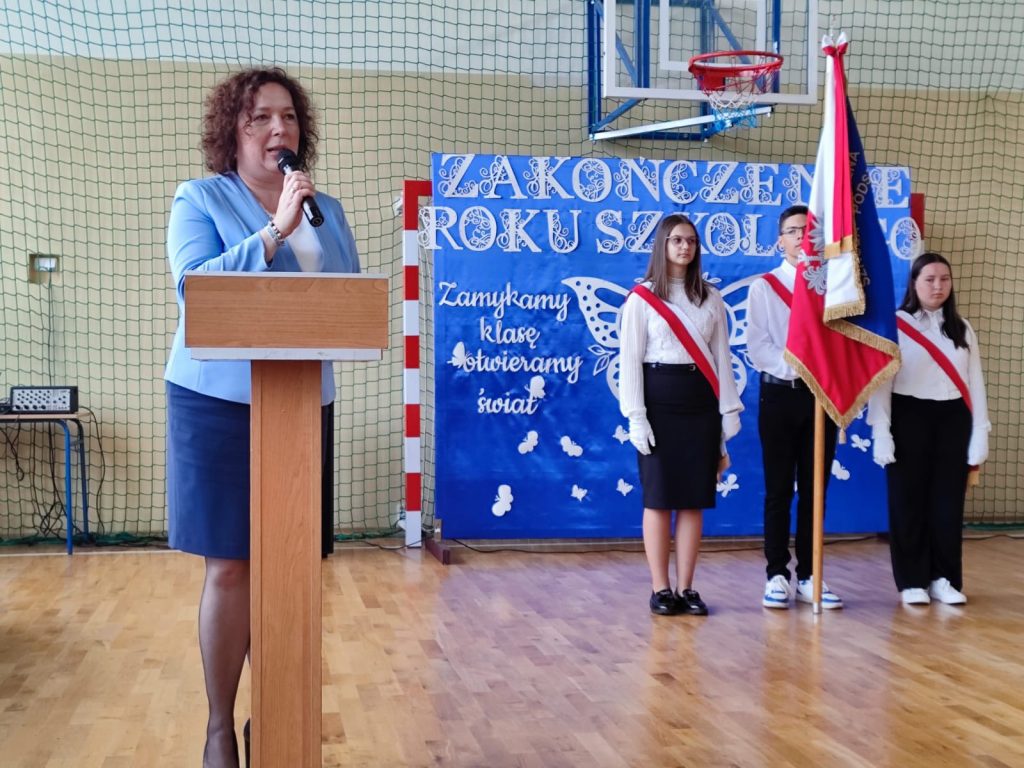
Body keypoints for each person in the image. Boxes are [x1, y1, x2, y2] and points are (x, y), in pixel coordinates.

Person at [164, 67, 360, 768]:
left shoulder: (325, 209)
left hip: (302, 405)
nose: (280, 130)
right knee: (231, 569)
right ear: (233, 133)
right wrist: (274, 232)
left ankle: (273, 723)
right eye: (260, 118)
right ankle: (220, 727)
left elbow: (352, 302)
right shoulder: (200, 198)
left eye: (289, 117)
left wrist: (299, 219)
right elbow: (196, 290)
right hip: (216, 403)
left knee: (289, 571)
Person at [618, 213, 742, 616]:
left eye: (691, 240)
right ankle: (661, 588)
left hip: (700, 404)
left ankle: (687, 588)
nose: (685, 247)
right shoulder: (641, 299)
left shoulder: (710, 297)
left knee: (693, 499)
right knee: (658, 499)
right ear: (663, 245)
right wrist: (636, 416)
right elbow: (630, 361)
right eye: (676, 240)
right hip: (658, 402)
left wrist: (727, 413)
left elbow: (722, 358)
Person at [868, 252, 990, 606]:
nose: (938, 286)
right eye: (930, 279)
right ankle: (912, 581)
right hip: (909, 415)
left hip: (953, 419)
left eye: (944, 279)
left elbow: (975, 382)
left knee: (948, 503)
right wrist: (882, 431)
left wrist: (980, 431)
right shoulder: (895, 325)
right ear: (914, 284)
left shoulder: (961, 328)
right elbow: (881, 383)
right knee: (907, 501)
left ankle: (945, 578)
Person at [746, 205, 843, 610]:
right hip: (780, 395)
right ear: (779, 240)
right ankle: (776, 574)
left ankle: (810, 574)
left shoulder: (834, 288)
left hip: (821, 398)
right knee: (779, 488)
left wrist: (823, 373)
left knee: (815, 489)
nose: (801, 236)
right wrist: (803, 367)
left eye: (807, 229)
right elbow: (759, 347)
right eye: (792, 230)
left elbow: (844, 340)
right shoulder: (764, 288)